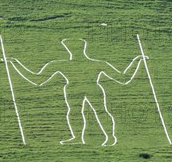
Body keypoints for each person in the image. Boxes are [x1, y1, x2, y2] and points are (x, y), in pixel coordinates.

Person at [8, 38, 147, 146]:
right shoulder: (66, 64)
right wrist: (15, 63)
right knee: (77, 111)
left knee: (97, 111)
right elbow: (38, 80)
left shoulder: (86, 63)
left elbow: (122, 79)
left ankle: (109, 137)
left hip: (86, 87)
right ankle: (79, 137)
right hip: (77, 88)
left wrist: (137, 60)